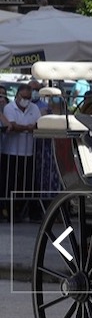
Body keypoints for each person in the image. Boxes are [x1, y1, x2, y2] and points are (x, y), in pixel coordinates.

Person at [2, 84, 43, 221]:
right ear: (17, 96)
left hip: (28, 152)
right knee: (10, 183)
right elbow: (12, 126)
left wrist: (26, 128)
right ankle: (11, 212)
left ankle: (30, 212)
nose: (26, 100)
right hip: (11, 152)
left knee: (28, 183)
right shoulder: (9, 108)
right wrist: (27, 128)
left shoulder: (34, 108)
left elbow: (39, 124)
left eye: (28, 98)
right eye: (24, 97)